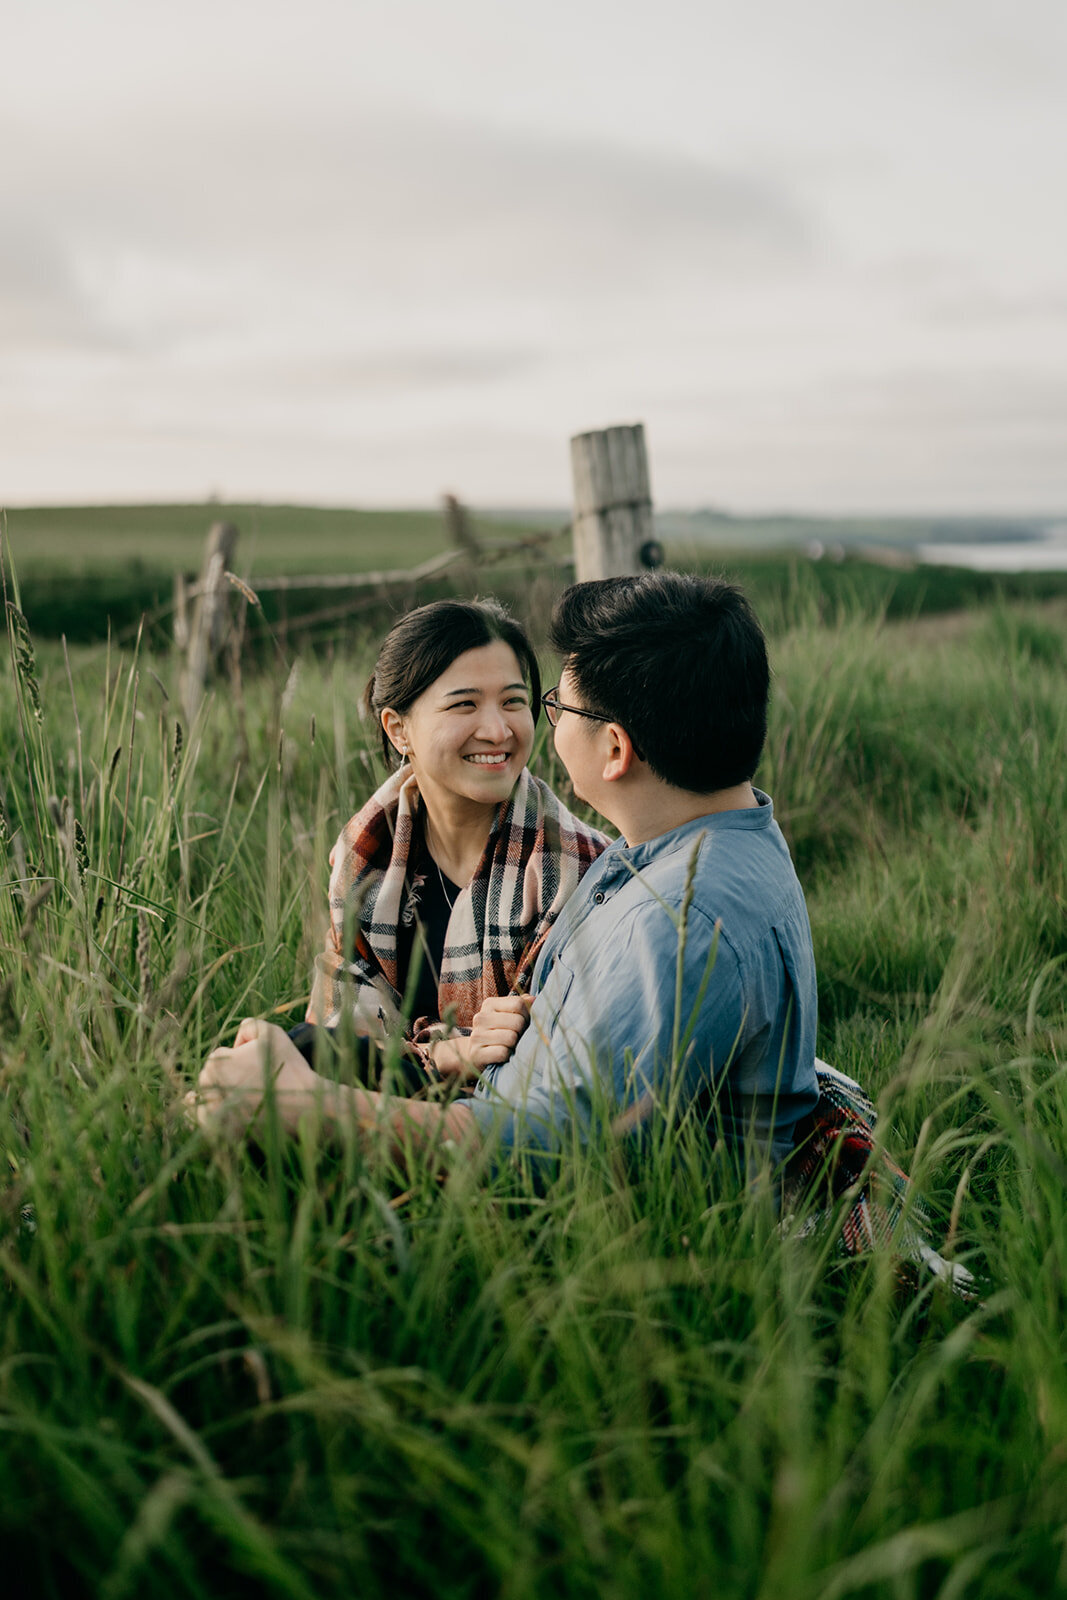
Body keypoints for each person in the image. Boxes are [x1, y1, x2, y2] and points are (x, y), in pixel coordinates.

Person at [192, 572, 820, 1175]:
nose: (519, 730)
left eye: (552, 706)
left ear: (615, 748)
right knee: (271, 1056)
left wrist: (312, 1107)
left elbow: (548, 1148)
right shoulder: (681, 854)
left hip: (533, 1204)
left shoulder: (677, 920)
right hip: (468, 1107)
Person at [276, 597, 606, 1088]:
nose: (498, 730)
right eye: (464, 704)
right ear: (398, 728)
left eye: (514, 702)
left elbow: (528, 1062)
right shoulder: (366, 855)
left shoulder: (574, 869)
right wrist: (454, 1051)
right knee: (271, 1053)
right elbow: (341, 1034)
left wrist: (425, 1056)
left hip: (497, 1134)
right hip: (381, 1111)